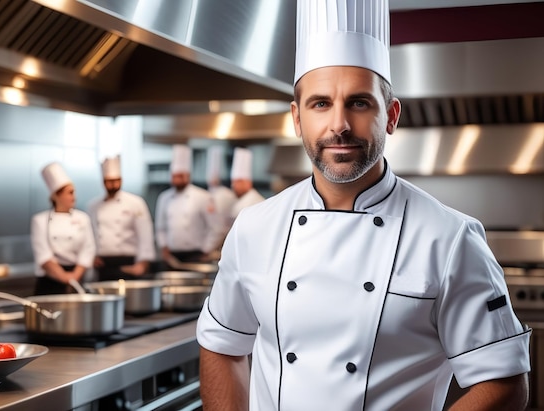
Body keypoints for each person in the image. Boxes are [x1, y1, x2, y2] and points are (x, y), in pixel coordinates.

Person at [196, 0, 531, 410]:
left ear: (390, 116)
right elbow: (222, 345)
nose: (339, 125)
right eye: (320, 103)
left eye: (358, 102)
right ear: (297, 118)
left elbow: (503, 382)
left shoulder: (449, 238)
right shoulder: (254, 228)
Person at [30, 162, 95, 295]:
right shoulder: (39, 220)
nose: (74, 197)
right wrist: (65, 277)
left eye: (74, 192)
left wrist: (75, 275)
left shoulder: (83, 218)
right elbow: (43, 255)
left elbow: (88, 249)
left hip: (77, 277)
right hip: (49, 281)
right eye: (70, 193)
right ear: (56, 196)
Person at [87, 155, 155, 281]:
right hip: (103, 265)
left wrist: (143, 263)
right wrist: (91, 256)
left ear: (121, 180)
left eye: (116, 180)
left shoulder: (135, 203)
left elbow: (145, 234)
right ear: (103, 181)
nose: (113, 184)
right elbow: (89, 236)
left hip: (129, 263)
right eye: (109, 181)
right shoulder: (93, 206)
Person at [155, 144, 224, 266]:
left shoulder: (203, 197)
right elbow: (160, 227)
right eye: (174, 176)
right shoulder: (164, 198)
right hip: (172, 257)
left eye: (180, 176)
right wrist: (164, 246)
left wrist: (206, 249)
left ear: (188, 175)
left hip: (197, 255)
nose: (177, 180)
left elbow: (216, 228)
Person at [206, 145, 237, 253]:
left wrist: (206, 249)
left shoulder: (218, 197)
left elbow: (218, 228)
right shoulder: (229, 194)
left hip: (221, 245)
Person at [228, 147, 265, 223]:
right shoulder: (239, 200)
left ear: (247, 183)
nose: (233, 186)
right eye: (233, 182)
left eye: (237, 182)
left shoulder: (254, 201)